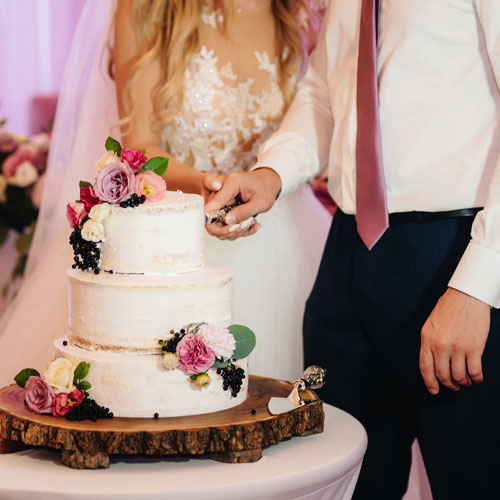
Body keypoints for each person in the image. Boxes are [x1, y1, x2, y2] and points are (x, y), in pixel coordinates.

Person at [205, 0, 500, 499]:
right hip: (345, 257)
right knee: (345, 479)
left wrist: (478, 284)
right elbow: (323, 92)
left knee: (471, 478)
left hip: (454, 256)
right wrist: (271, 172)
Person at [0, 0, 330, 386]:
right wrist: (207, 185)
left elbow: (318, 117)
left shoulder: (299, 12)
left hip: (287, 238)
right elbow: (140, 145)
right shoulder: (148, 7)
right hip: (178, 238)